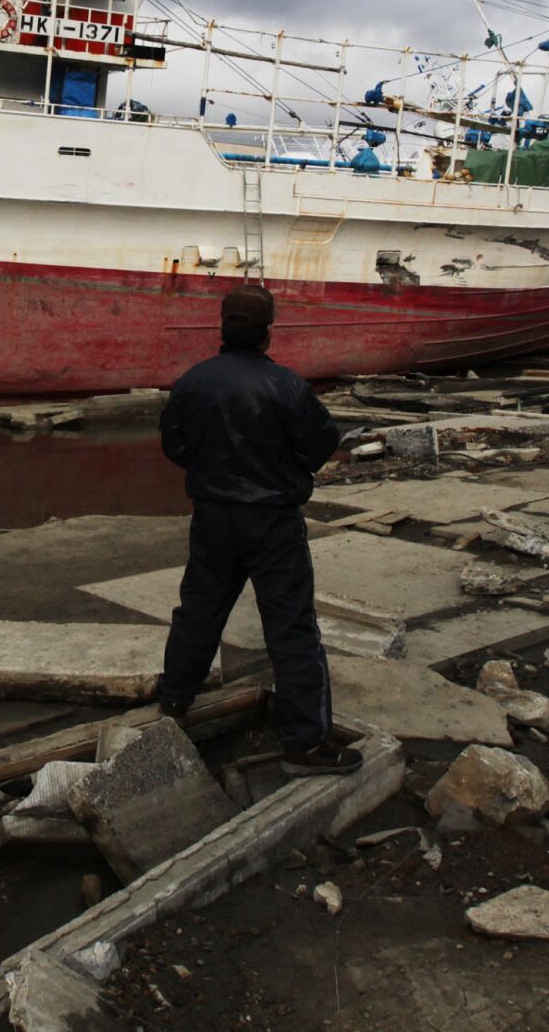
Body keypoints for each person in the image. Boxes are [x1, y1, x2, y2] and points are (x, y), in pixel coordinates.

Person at [152, 285, 361, 776]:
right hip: (272, 522)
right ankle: (304, 744)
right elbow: (319, 446)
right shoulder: (287, 386)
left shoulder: (191, 383)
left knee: (199, 612)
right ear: (268, 332)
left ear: (222, 326)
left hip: (212, 518)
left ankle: (175, 702)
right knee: (290, 627)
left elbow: (175, 448)